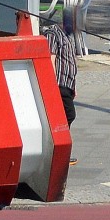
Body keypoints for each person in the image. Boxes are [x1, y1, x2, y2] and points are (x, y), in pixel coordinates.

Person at [43, 14, 78, 163]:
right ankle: (58, 151)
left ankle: (60, 151)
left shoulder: (67, 35)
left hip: (67, 84)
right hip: (59, 84)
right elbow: (51, 60)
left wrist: (74, 87)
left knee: (65, 117)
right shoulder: (53, 34)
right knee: (68, 116)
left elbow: (70, 61)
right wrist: (51, 85)